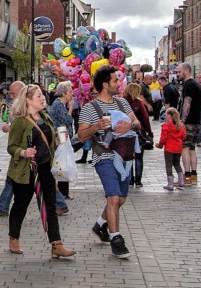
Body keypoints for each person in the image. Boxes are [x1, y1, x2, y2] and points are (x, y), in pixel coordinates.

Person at [76, 65, 139, 260]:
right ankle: (116, 239)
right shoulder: (89, 108)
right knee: (113, 198)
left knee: (120, 199)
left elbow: (137, 123)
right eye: (114, 80)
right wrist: (96, 126)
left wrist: (130, 124)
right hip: (104, 156)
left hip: (125, 157)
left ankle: (100, 224)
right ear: (105, 84)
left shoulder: (122, 103)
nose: (119, 83)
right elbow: (80, 135)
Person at [6, 84, 75, 259]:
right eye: (39, 96)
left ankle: (57, 244)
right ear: (28, 100)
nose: (43, 98)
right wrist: (23, 152)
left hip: (45, 168)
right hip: (25, 171)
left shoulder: (46, 117)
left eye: (43, 95)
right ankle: (14, 237)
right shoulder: (20, 121)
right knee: (21, 205)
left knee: (50, 206)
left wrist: (60, 141)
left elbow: (50, 141)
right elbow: (11, 147)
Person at [0, 79, 24, 216]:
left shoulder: (26, 104)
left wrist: (12, 126)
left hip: (24, 148)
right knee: (11, 177)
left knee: (41, 177)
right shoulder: (20, 104)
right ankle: (3, 205)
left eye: (13, 93)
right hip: (19, 148)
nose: (11, 96)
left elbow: (24, 124)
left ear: (21, 91)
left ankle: (59, 202)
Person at [45, 81, 74, 214]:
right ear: (63, 93)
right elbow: (67, 120)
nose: (71, 94)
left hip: (63, 138)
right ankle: (60, 198)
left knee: (61, 164)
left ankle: (61, 195)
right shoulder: (58, 104)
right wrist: (71, 109)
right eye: (69, 92)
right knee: (58, 165)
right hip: (60, 138)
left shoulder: (60, 104)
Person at [176, 63, 201, 185]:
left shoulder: (189, 84)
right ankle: (193, 177)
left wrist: (182, 121)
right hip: (196, 121)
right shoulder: (195, 84)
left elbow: (187, 103)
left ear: (186, 71)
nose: (177, 74)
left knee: (184, 148)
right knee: (192, 149)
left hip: (189, 122)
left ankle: (186, 177)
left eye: (179, 72)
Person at [124, 83, 152, 187]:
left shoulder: (121, 102)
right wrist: (150, 132)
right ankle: (138, 180)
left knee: (129, 157)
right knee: (139, 156)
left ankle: (130, 180)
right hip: (139, 132)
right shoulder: (138, 103)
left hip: (125, 132)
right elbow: (145, 119)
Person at [158, 107, 186, 190]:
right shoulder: (180, 125)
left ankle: (170, 184)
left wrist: (159, 145)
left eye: (166, 114)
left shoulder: (166, 125)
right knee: (177, 163)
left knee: (169, 165)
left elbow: (163, 138)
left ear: (169, 116)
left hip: (169, 149)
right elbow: (184, 137)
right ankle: (181, 181)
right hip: (178, 148)